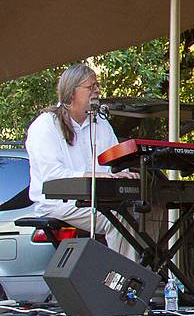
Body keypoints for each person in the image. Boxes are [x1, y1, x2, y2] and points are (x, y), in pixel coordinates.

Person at [25, 63, 136, 259]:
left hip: (98, 199)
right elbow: (52, 177)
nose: (97, 90)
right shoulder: (45, 125)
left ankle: (156, 276)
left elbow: (116, 162)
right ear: (71, 93)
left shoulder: (101, 123)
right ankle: (121, 283)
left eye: (97, 85)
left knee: (149, 210)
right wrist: (101, 176)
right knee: (120, 216)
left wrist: (125, 174)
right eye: (90, 87)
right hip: (59, 202)